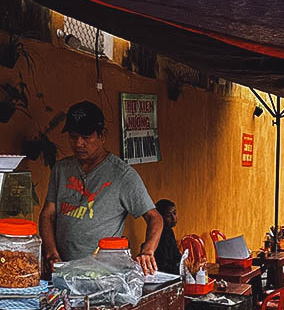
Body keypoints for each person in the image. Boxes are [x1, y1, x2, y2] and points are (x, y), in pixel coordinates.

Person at [39, 101, 164, 275]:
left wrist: (147, 251)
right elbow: (48, 214)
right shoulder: (61, 169)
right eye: (73, 137)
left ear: (102, 135)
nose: (79, 143)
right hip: (62, 270)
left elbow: (154, 218)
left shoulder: (122, 175)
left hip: (103, 273)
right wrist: (51, 253)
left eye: (87, 137)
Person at [154, 198, 181, 275]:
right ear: (160, 217)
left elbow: (176, 255)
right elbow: (164, 263)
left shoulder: (169, 231)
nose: (173, 218)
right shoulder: (159, 235)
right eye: (168, 215)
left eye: (174, 213)